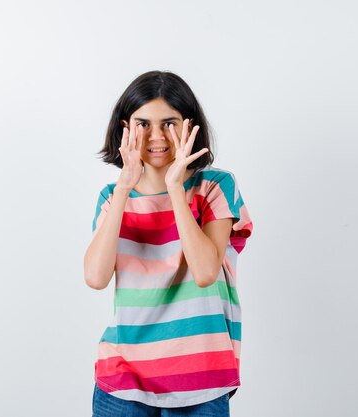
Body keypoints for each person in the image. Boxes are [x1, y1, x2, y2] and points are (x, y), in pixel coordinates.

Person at [84, 70, 253, 417]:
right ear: (124, 129)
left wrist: (176, 186)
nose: (156, 136)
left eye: (169, 123)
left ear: (189, 126)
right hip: (122, 379)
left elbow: (206, 271)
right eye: (142, 123)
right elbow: (96, 277)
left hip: (200, 380)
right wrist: (123, 188)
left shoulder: (215, 187)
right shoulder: (111, 197)